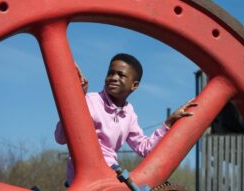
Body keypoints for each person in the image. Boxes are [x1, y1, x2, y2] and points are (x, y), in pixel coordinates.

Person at [55, 53, 197, 186]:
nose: (113, 77)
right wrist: (76, 101)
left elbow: (145, 149)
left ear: (134, 85)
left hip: (110, 174)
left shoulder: (129, 113)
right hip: (84, 176)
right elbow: (61, 138)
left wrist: (169, 122)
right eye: (110, 73)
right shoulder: (89, 101)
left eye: (121, 75)